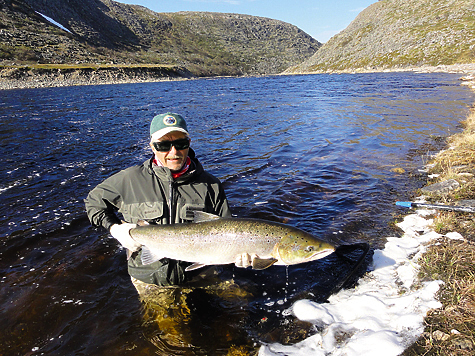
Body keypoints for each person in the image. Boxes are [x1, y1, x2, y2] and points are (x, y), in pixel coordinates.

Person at [85, 112, 250, 287]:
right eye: (164, 145)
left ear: (189, 144)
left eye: (180, 143)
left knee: (239, 307)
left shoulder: (211, 185)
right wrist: (116, 229)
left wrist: (240, 254)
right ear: (152, 147)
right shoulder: (129, 179)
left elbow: (230, 230)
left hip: (202, 275)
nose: (174, 152)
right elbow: (93, 203)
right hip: (150, 279)